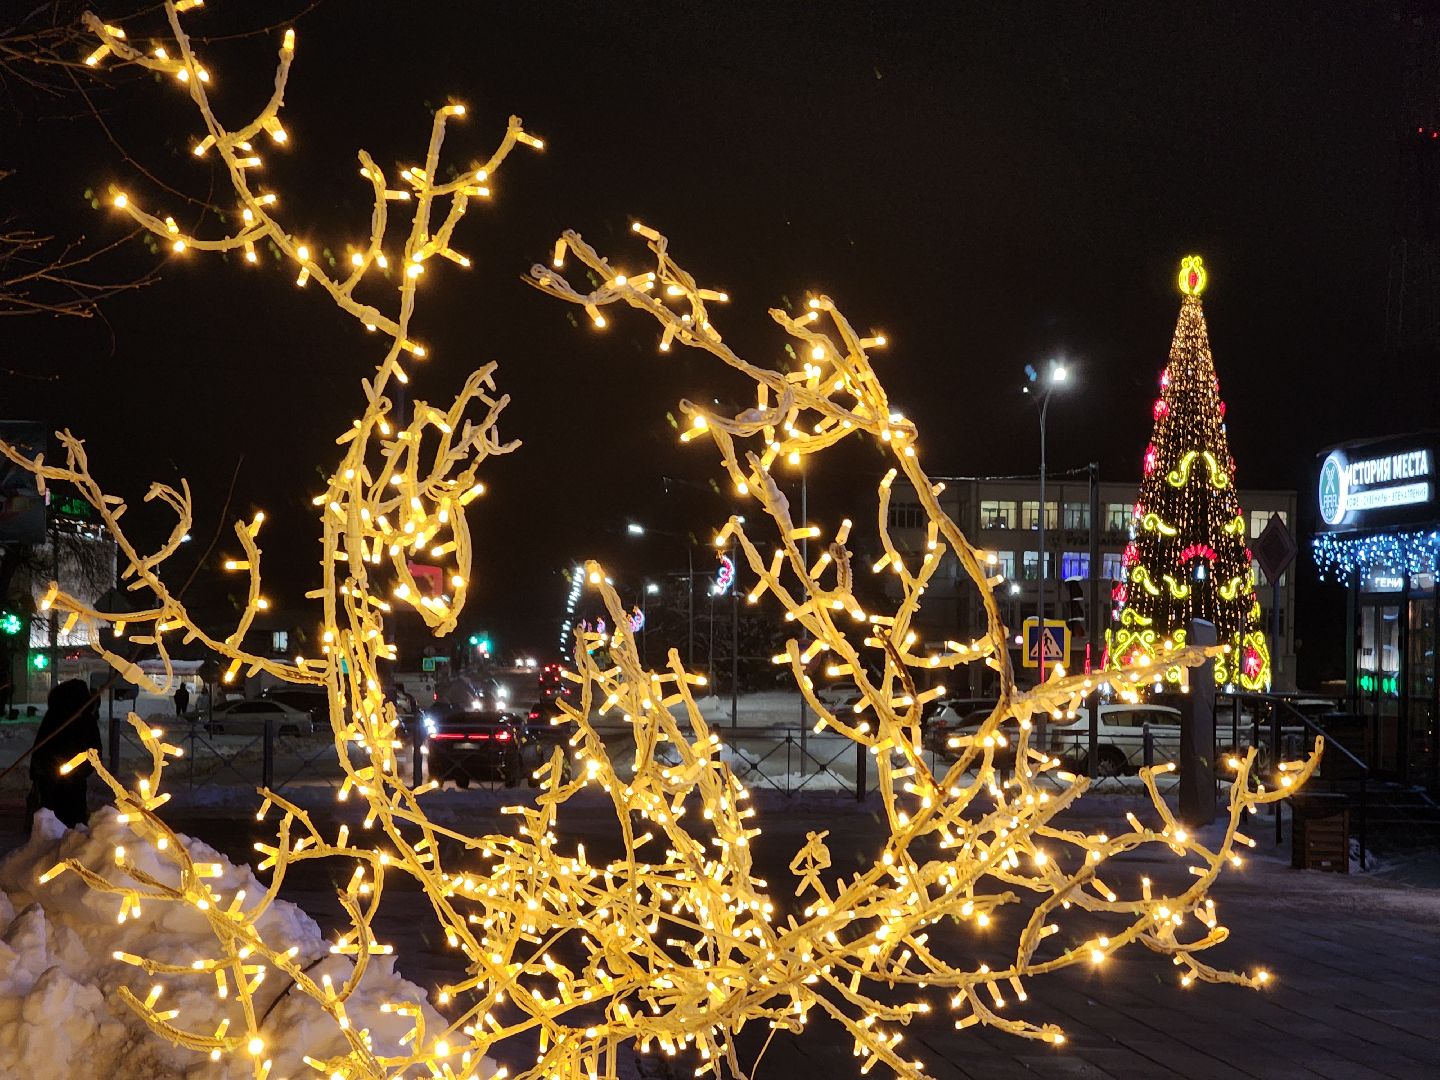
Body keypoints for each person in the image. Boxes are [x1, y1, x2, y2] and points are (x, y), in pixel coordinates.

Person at [26, 679, 102, 829]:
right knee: (67, 821)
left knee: (56, 821)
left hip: (60, 777)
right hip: (60, 778)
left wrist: (39, 772)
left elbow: (40, 747)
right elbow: (94, 750)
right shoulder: (79, 718)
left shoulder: (63, 715)